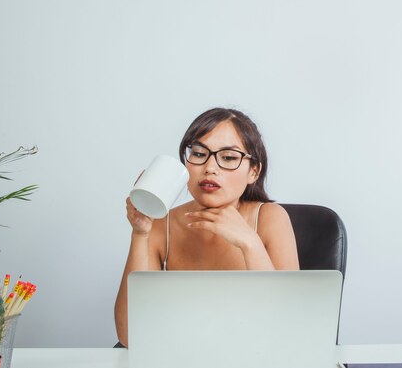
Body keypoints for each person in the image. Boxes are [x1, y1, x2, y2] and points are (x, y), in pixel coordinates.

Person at [114, 107, 299, 347]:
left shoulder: (271, 219)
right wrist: (140, 233)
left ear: (253, 171)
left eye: (229, 158)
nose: (210, 168)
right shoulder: (162, 224)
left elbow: (289, 328)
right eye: (199, 154)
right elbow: (130, 336)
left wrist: (249, 243)